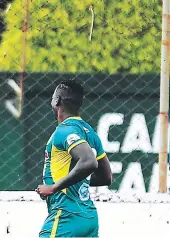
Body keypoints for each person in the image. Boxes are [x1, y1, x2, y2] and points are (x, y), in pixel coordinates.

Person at [35, 79, 112, 237]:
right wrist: (76, 182)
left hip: (66, 217)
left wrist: (54, 187)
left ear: (57, 101)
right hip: (89, 218)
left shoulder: (64, 131)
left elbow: (89, 161)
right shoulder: (90, 133)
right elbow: (106, 177)